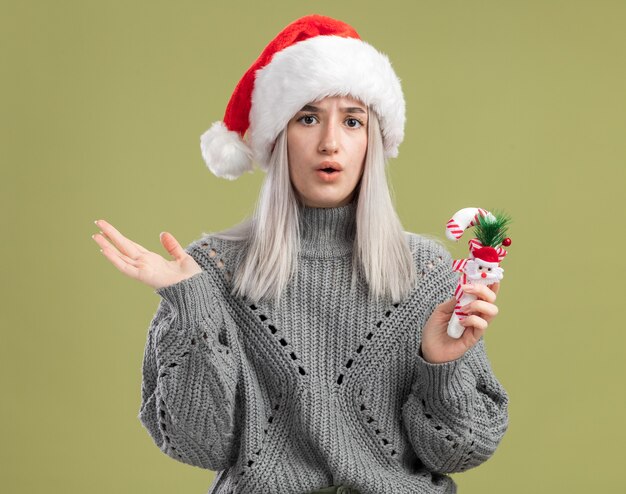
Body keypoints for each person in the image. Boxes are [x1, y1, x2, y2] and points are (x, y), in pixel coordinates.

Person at [92, 14, 508, 494]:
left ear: (372, 141)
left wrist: (441, 364)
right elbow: (197, 444)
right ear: (276, 137)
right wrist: (193, 306)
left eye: (352, 120)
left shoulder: (429, 274)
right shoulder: (210, 272)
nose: (330, 141)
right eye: (307, 118)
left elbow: (461, 450)